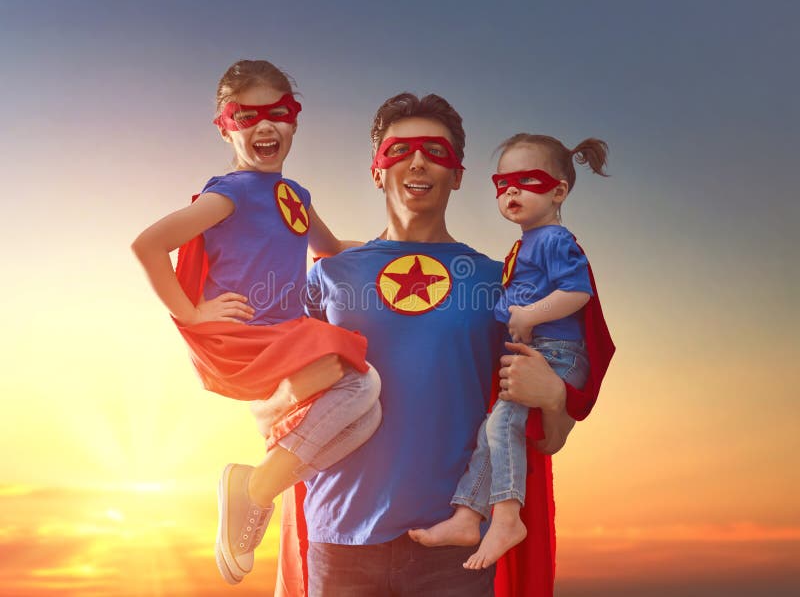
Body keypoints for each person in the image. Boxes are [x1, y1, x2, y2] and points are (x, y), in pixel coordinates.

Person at [261, 94, 609, 597]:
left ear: (459, 174)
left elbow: (546, 439)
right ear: (377, 170)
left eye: (435, 151)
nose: (417, 161)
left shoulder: (504, 281)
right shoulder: (331, 275)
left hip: (455, 548)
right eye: (400, 149)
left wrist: (554, 396)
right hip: (339, 538)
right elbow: (280, 395)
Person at [131, 59, 381, 586]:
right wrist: (193, 312)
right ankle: (255, 490)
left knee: (365, 417)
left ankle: (257, 485)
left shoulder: (295, 196)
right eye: (246, 116)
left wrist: (391, 249)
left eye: (279, 113)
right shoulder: (231, 192)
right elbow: (148, 245)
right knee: (363, 383)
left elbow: (330, 250)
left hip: (286, 335)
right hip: (247, 339)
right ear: (226, 127)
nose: (265, 126)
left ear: (295, 120)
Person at [408, 133, 612, 570]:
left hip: (554, 353)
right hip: (540, 349)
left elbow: (577, 293)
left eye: (527, 180)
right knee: (492, 431)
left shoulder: (555, 240)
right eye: (502, 183)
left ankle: (506, 518)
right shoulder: (528, 243)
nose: (511, 191)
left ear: (559, 190)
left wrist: (531, 315)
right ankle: (468, 514)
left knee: (501, 425)